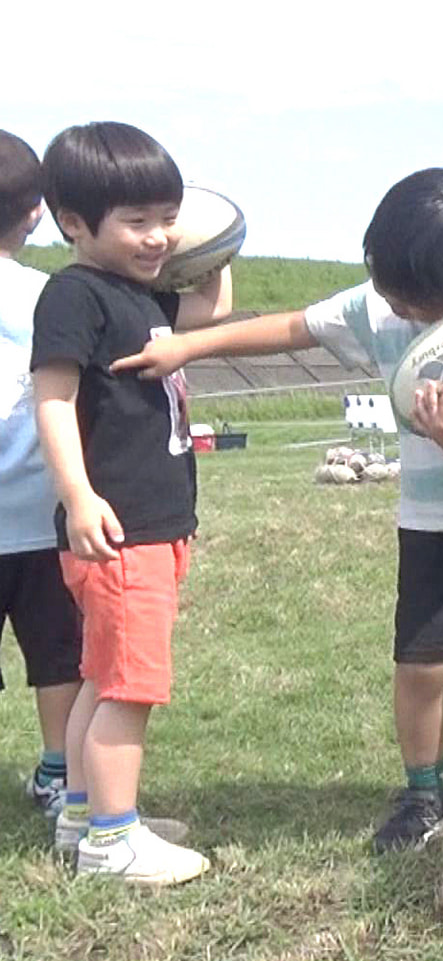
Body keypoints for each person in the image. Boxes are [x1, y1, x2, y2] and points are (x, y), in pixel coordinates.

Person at [112, 167, 443, 860]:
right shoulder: (377, 304)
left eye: (400, 287)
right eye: (378, 273)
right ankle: (424, 791)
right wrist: (189, 346)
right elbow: (292, 327)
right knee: (420, 664)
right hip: (428, 523)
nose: (386, 294)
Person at [30, 122, 232, 883]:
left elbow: (209, 307)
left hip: (152, 526)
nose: (159, 237)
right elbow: (53, 400)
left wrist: (217, 237)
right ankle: (114, 841)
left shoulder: (139, 293)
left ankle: (83, 817)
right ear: (74, 223)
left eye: (167, 217)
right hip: (118, 527)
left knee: (99, 676)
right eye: (138, 221)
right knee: (129, 686)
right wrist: (78, 496)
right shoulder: (75, 294)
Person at [0, 129, 83, 820]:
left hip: (35, 519)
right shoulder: (52, 294)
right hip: (40, 515)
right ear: (36, 213)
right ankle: (58, 774)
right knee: (58, 657)